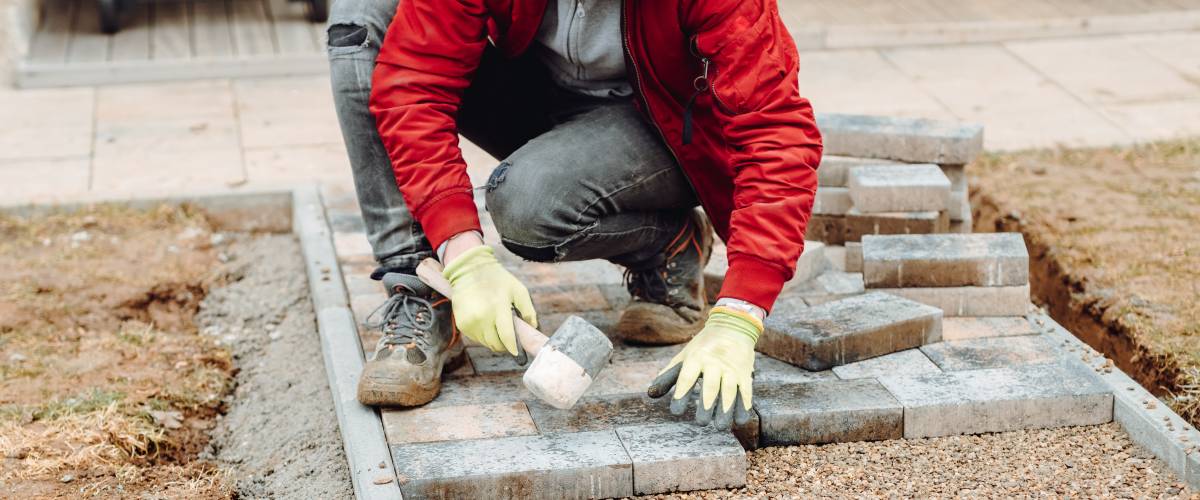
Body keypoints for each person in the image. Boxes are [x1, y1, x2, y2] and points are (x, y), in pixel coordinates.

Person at [326, 0, 821, 430]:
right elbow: (414, 84)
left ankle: (670, 243)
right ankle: (422, 291)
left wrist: (740, 315)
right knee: (368, 19)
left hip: (665, 129)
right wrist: (463, 257)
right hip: (543, 97)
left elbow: (775, 130)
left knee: (527, 203)